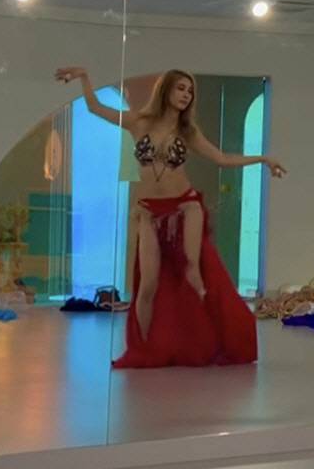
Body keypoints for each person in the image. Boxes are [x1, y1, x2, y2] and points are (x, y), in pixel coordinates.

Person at [55, 67, 286, 368]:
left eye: (189, 91)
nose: (186, 95)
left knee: (192, 271)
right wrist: (85, 77)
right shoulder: (139, 122)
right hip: (150, 210)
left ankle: (213, 336)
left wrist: (263, 159)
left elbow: (222, 158)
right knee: (148, 284)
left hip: (185, 206)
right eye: (180, 88)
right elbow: (96, 108)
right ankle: (144, 349)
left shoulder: (188, 132)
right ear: (166, 90)